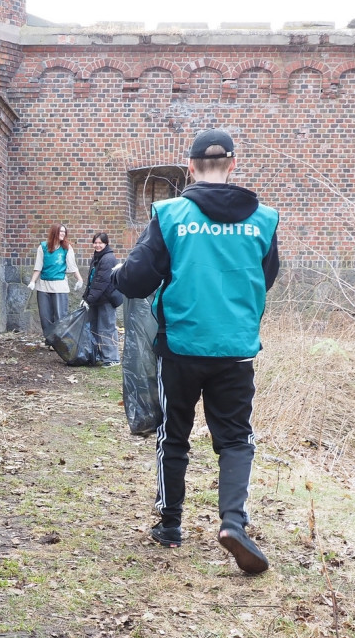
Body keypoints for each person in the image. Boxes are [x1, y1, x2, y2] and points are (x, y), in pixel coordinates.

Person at [111, 129, 280, 575]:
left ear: (190, 168)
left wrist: (117, 274)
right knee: (236, 439)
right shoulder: (263, 219)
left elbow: (137, 282)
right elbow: (267, 279)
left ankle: (169, 526)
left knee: (174, 434)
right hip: (236, 347)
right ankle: (232, 523)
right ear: (233, 165)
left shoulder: (170, 215)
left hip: (182, 346)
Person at [28, 222, 83, 345]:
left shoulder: (67, 248)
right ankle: (50, 340)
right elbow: (38, 266)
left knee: (60, 315)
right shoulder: (43, 247)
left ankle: (59, 342)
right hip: (43, 285)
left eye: (64, 232)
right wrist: (32, 281)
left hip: (59, 285)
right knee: (45, 315)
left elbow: (72, 266)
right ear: (54, 232)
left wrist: (80, 279)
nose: (63, 234)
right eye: (61, 231)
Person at [80, 232, 121, 366]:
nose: (97, 245)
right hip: (97, 299)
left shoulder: (108, 258)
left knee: (107, 328)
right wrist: (85, 297)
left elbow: (101, 282)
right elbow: (91, 280)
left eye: (100, 243)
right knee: (94, 328)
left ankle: (112, 358)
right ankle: (98, 355)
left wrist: (89, 299)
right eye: (95, 242)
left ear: (106, 244)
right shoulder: (97, 257)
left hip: (106, 299)